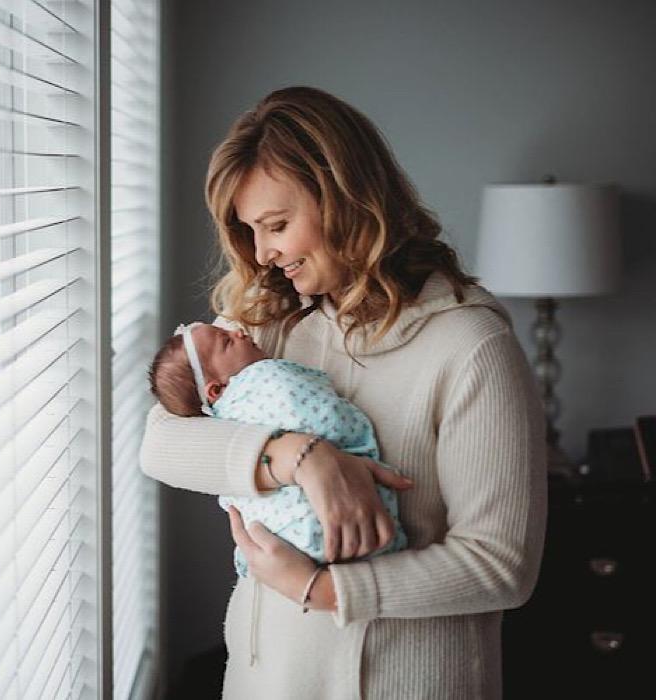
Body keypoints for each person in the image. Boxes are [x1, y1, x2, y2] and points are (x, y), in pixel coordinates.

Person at [138, 86, 546, 699]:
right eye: (250, 231)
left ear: (349, 201)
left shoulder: (470, 347)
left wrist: (320, 589)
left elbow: (500, 567)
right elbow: (159, 442)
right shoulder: (271, 324)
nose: (262, 254)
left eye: (276, 225)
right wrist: (300, 458)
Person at [146, 321, 408, 585]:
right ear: (217, 390)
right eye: (227, 341)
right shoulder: (258, 375)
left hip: (310, 556)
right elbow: (154, 447)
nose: (238, 331)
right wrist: (304, 456)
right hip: (277, 555)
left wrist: (317, 590)